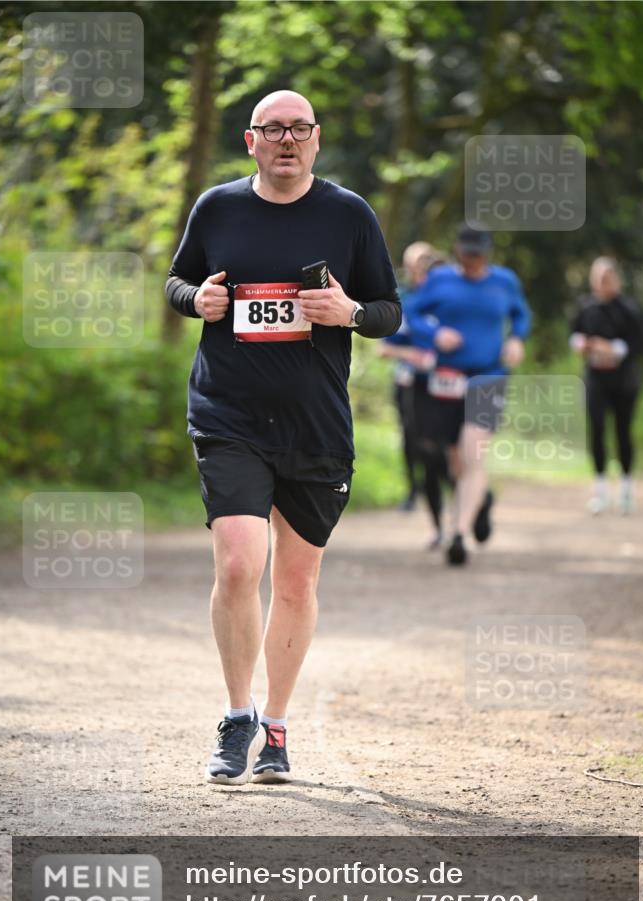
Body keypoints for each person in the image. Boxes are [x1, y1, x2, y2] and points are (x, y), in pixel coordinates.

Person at [165, 90, 400, 785]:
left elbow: (388, 310)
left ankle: (275, 725)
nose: (287, 140)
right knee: (240, 564)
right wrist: (196, 300)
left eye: (299, 129)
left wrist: (350, 312)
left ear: (317, 139)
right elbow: (177, 281)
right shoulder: (217, 208)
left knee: (295, 582)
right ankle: (236, 715)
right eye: (273, 129)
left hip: (314, 424)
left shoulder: (348, 214)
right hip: (228, 415)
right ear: (251, 140)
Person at [404, 224, 531, 565]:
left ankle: (458, 535)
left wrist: (516, 339)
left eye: (477, 255)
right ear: (458, 252)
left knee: (472, 453)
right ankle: (480, 501)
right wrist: (435, 334)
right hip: (447, 379)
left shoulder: (504, 281)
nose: (472, 260)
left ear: (487, 253)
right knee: (455, 460)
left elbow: (521, 314)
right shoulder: (439, 280)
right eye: (467, 254)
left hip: (489, 376)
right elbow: (412, 313)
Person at [378, 242, 451, 544]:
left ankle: (469, 502)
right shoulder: (406, 299)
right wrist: (413, 356)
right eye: (416, 264)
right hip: (413, 384)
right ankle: (419, 496)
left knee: (451, 451)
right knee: (417, 443)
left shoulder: (454, 301)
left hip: (452, 387)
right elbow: (385, 348)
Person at [570, 257, 643, 515]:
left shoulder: (627, 309)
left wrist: (612, 348)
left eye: (608, 278)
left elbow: (638, 343)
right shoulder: (585, 306)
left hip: (624, 381)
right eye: (599, 278)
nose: (603, 283)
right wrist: (582, 344)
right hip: (595, 379)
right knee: (597, 430)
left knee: (623, 431)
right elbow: (574, 334)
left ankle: (626, 489)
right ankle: (600, 489)